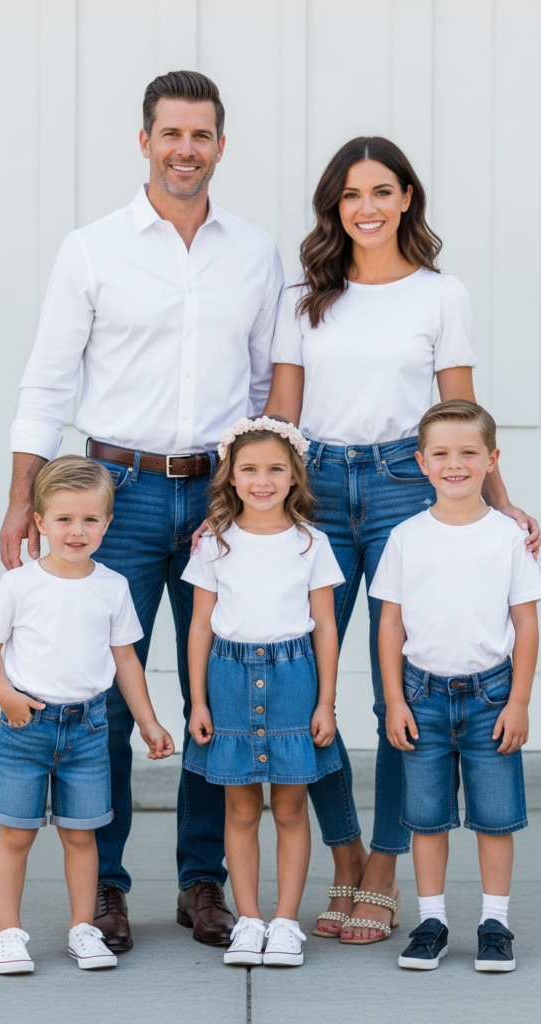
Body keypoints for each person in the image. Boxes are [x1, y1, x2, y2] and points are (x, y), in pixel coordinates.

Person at [0, 70, 283, 950]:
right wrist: (20, 500)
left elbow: (269, 384)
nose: (185, 150)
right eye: (170, 134)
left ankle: (203, 883)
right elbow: (47, 382)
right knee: (105, 698)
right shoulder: (91, 249)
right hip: (111, 499)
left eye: (201, 135)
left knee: (215, 692)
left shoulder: (256, 252)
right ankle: (108, 889)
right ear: (145, 141)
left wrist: (252, 494)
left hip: (217, 498)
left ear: (221, 146)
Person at [266, 136, 540, 944]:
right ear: (334, 208)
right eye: (351, 195)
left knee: (400, 697)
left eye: (382, 191)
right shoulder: (301, 297)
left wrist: (504, 504)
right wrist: (256, 512)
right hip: (311, 487)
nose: (367, 208)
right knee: (299, 687)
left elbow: (461, 412)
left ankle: (383, 869)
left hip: (399, 485)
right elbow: (281, 412)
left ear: (407, 198)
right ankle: (343, 852)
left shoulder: (439, 294)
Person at [0, 457, 174, 974]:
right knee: (16, 835)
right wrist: (4, 694)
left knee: (82, 834)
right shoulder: (21, 585)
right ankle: (7, 933)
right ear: (39, 522)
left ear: (108, 524)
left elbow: (126, 660)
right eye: (64, 519)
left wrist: (149, 722)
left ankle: (82, 928)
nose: (77, 530)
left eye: (90, 519)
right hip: (26, 727)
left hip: (90, 730)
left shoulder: (111, 586)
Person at [370, 400, 541, 971]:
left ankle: (496, 923)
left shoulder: (510, 538)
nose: (455, 464)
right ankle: (432, 920)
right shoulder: (405, 537)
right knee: (426, 817)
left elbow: (525, 623)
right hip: (422, 696)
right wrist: (394, 699)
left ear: (492, 460)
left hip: (492, 694)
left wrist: (519, 700)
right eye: (441, 454)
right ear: (421, 462)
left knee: (495, 817)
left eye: (469, 453)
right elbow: (390, 624)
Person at [182, 417, 344, 966]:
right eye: (249, 469)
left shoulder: (312, 543)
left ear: (295, 477)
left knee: (293, 808)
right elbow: (200, 626)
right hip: (228, 679)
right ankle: (249, 918)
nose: (262, 480)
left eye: (276, 468)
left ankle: (284, 923)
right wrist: (198, 700)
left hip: (294, 679)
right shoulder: (215, 544)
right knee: (242, 807)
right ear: (230, 477)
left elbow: (325, 625)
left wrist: (326, 701)